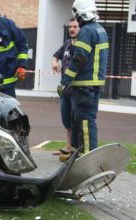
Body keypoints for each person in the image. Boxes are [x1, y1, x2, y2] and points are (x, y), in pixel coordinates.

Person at [60, 0, 109, 160]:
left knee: (86, 121)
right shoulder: (100, 30)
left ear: (79, 14)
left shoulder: (87, 31)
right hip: (92, 84)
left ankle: (88, 157)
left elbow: (79, 57)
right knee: (77, 120)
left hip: (84, 85)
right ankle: (75, 153)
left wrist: (65, 79)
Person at [52, 18, 80, 157]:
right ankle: (69, 146)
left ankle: (74, 148)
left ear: (80, 28)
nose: (72, 29)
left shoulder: (81, 45)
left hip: (77, 90)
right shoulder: (67, 44)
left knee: (76, 120)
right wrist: (55, 63)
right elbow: (55, 56)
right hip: (65, 90)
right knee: (67, 120)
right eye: (70, 27)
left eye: (75, 26)